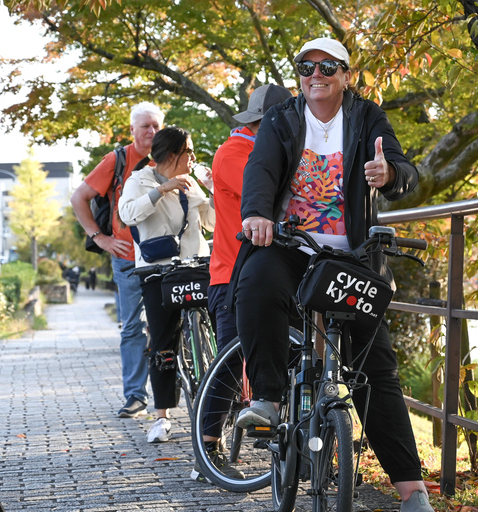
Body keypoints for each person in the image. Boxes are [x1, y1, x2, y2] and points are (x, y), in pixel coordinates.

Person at [232, 38, 433, 511]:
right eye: (306, 67)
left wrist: (390, 173)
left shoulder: (368, 118)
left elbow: (408, 172)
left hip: (351, 258)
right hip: (291, 248)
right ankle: (268, 399)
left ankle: (412, 491)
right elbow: (260, 171)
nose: (315, 75)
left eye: (327, 67)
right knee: (256, 281)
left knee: (375, 367)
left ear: (346, 75)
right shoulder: (282, 119)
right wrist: (257, 214)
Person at [190, 84, 293, 483]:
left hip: (273, 271)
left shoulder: (268, 147)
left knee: (283, 356)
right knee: (231, 366)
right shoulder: (234, 152)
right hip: (231, 272)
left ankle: (279, 438)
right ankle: (209, 447)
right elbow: (273, 188)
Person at [118, 126, 215, 443]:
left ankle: (222, 402)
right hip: (158, 273)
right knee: (162, 342)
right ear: (174, 155)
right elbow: (127, 214)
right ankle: (162, 417)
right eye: (189, 152)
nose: (193, 158)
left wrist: (215, 190)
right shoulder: (139, 180)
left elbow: (214, 222)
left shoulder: (192, 183)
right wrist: (162, 190)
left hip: (195, 267)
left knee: (220, 326)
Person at [70, 102, 163, 418]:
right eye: (146, 126)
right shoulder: (117, 159)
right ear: (133, 130)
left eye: (156, 126)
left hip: (165, 254)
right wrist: (100, 238)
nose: (152, 132)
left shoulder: (169, 154)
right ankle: (136, 396)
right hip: (126, 257)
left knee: (170, 324)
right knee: (133, 327)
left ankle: (175, 392)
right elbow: (78, 197)